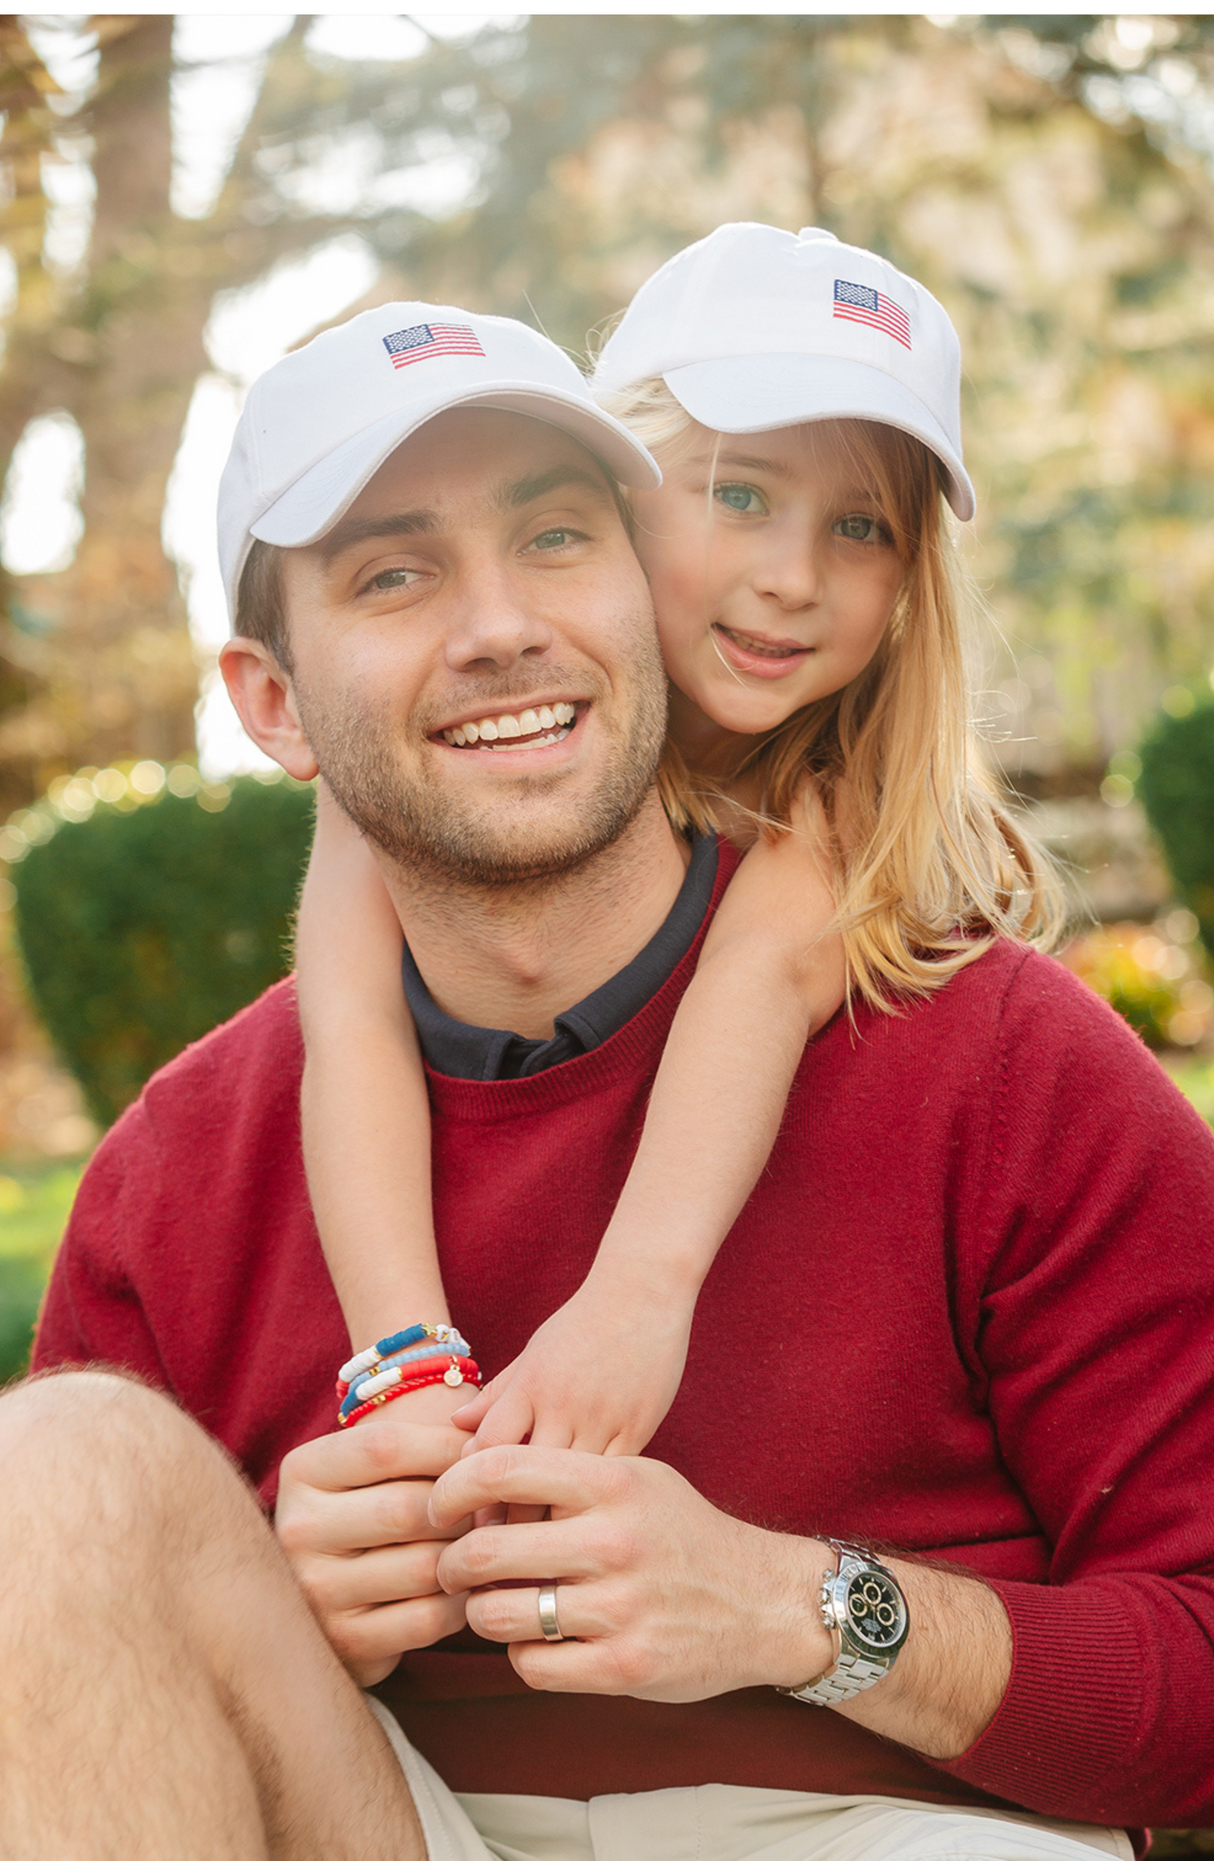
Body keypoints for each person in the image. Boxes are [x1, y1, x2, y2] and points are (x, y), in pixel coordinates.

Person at [12, 273, 1214, 1860]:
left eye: (554, 536)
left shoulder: (991, 1050)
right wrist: (258, 1595)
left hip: (880, 1817)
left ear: (632, 584)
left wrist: (802, 1607)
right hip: (397, 1818)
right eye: (392, 573)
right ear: (273, 704)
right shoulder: (186, 1166)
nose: (503, 624)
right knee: (61, 1466)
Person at [293, 225, 1054, 1467]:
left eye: (861, 528)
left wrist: (637, 1296)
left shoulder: (836, 803)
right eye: (739, 495)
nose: (792, 577)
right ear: (610, 484)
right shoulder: (427, 746)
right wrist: (405, 1362)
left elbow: (751, 982)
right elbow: (350, 1025)